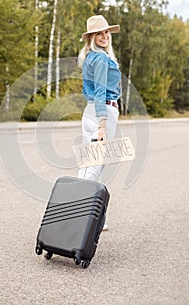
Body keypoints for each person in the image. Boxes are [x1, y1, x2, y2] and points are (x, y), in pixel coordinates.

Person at [77, 15, 121, 230]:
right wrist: (102, 124)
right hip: (102, 113)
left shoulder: (89, 58)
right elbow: (101, 91)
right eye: (99, 33)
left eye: (106, 32)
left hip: (92, 111)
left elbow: (88, 91)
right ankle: (78, 215)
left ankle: (90, 216)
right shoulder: (102, 59)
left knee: (92, 164)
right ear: (91, 37)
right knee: (94, 166)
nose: (104, 36)